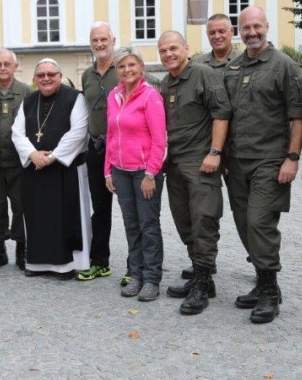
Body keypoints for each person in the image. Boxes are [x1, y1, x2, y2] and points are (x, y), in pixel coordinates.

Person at [223, 6, 302, 323]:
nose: (252, 32)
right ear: (239, 31)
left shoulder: (283, 65)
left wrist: (292, 157)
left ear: (267, 27)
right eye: (246, 28)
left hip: (270, 160)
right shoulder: (233, 67)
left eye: (257, 26)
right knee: (245, 223)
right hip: (237, 161)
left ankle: (270, 291)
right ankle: (261, 282)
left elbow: (299, 115)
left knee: (260, 223)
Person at [157, 32, 231, 314]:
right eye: (163, 51)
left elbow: (221, 113)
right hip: (174, 164)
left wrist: (215, 152)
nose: (168, 54)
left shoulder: (203, 74)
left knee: (204, 221)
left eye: (173, 48)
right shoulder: (166, 83)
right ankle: (202, 276)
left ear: (186, 48)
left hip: (200, 163)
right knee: (184, 221)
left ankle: (202, 282)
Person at [11, 59, 91, 277]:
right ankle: (37, 264)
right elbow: (17, 132)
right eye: (41, 75)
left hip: (64, 169)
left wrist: (52, 157)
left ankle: (68, 265)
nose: (46, 78)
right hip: (34, 169)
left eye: (51, 74)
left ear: (60, 75)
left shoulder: (75, 98)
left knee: (65, 216)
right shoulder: (28, 101)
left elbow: (78, 132)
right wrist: (32, 154)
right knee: (37, 217)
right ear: (35, 78)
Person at [103, 48, 166, 300]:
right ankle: (136, 274)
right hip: (120, 171)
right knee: (131, 225)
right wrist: (107, 171)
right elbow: (110, 136)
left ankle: (152, 278)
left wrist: (151, 174)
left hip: (144, 174)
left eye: (131, 65)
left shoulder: (150, 96)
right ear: (116, 70)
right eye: (121, 66)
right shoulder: (114, 95)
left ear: (141, 67)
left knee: (148, 225)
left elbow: (160, 140)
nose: (127, 70)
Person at [0, 48, 31, 269]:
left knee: (21, 206)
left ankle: (22, 250)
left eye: (6, 64)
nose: (2, 68)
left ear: (15, 66)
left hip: (19, 163)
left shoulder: (26, 93)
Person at [78, 22, 117, 283]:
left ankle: (136, 266)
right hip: (95, 149)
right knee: (100, 208)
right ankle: (99, 261)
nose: (100, 45)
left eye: (104, 40)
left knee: (132, 209)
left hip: (122, 150)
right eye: (95, 41)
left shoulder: (124, 68)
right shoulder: (87, 75)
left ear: (113, 40)